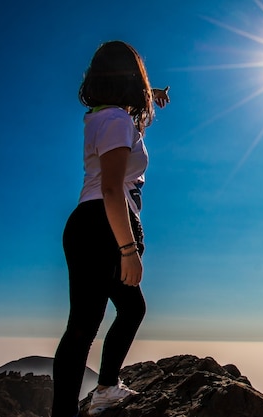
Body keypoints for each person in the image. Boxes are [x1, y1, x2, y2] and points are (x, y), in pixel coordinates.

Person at [51, 40, 170, 417]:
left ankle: (72, 406)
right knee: (125, 311)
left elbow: (106, 183)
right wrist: (128, 250)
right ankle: (104, 389)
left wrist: (149, 95)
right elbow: (111, 188)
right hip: (106, 223)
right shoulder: (117, 121)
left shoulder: (102, 115)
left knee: (83, 327)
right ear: (131, 78)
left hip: (86, 224)